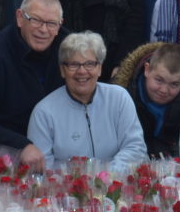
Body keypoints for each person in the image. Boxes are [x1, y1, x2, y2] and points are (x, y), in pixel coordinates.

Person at [0, 0, 65, 171]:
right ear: (20, 17)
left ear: (60, 25)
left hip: (61, 149)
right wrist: (21, 145)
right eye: (35, 20)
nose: (43, 30)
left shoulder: (69, 49)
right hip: (7, 157)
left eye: (51, 23)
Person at [26, 32, 147, 172]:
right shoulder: (44, 112)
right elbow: (43, 167)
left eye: (90, 64)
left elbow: (135, 148)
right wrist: (79, 185)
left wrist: (104, 179)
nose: (82, 71)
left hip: (118, 187)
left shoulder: (119, 98)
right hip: (66, 191)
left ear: (100, 68)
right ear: (62, 70)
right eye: (73, 64)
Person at [112, 42, 180, 159]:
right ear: (147, 70)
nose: (164, 90)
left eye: (174, 84)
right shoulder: (124, 94)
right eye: (159, 80)